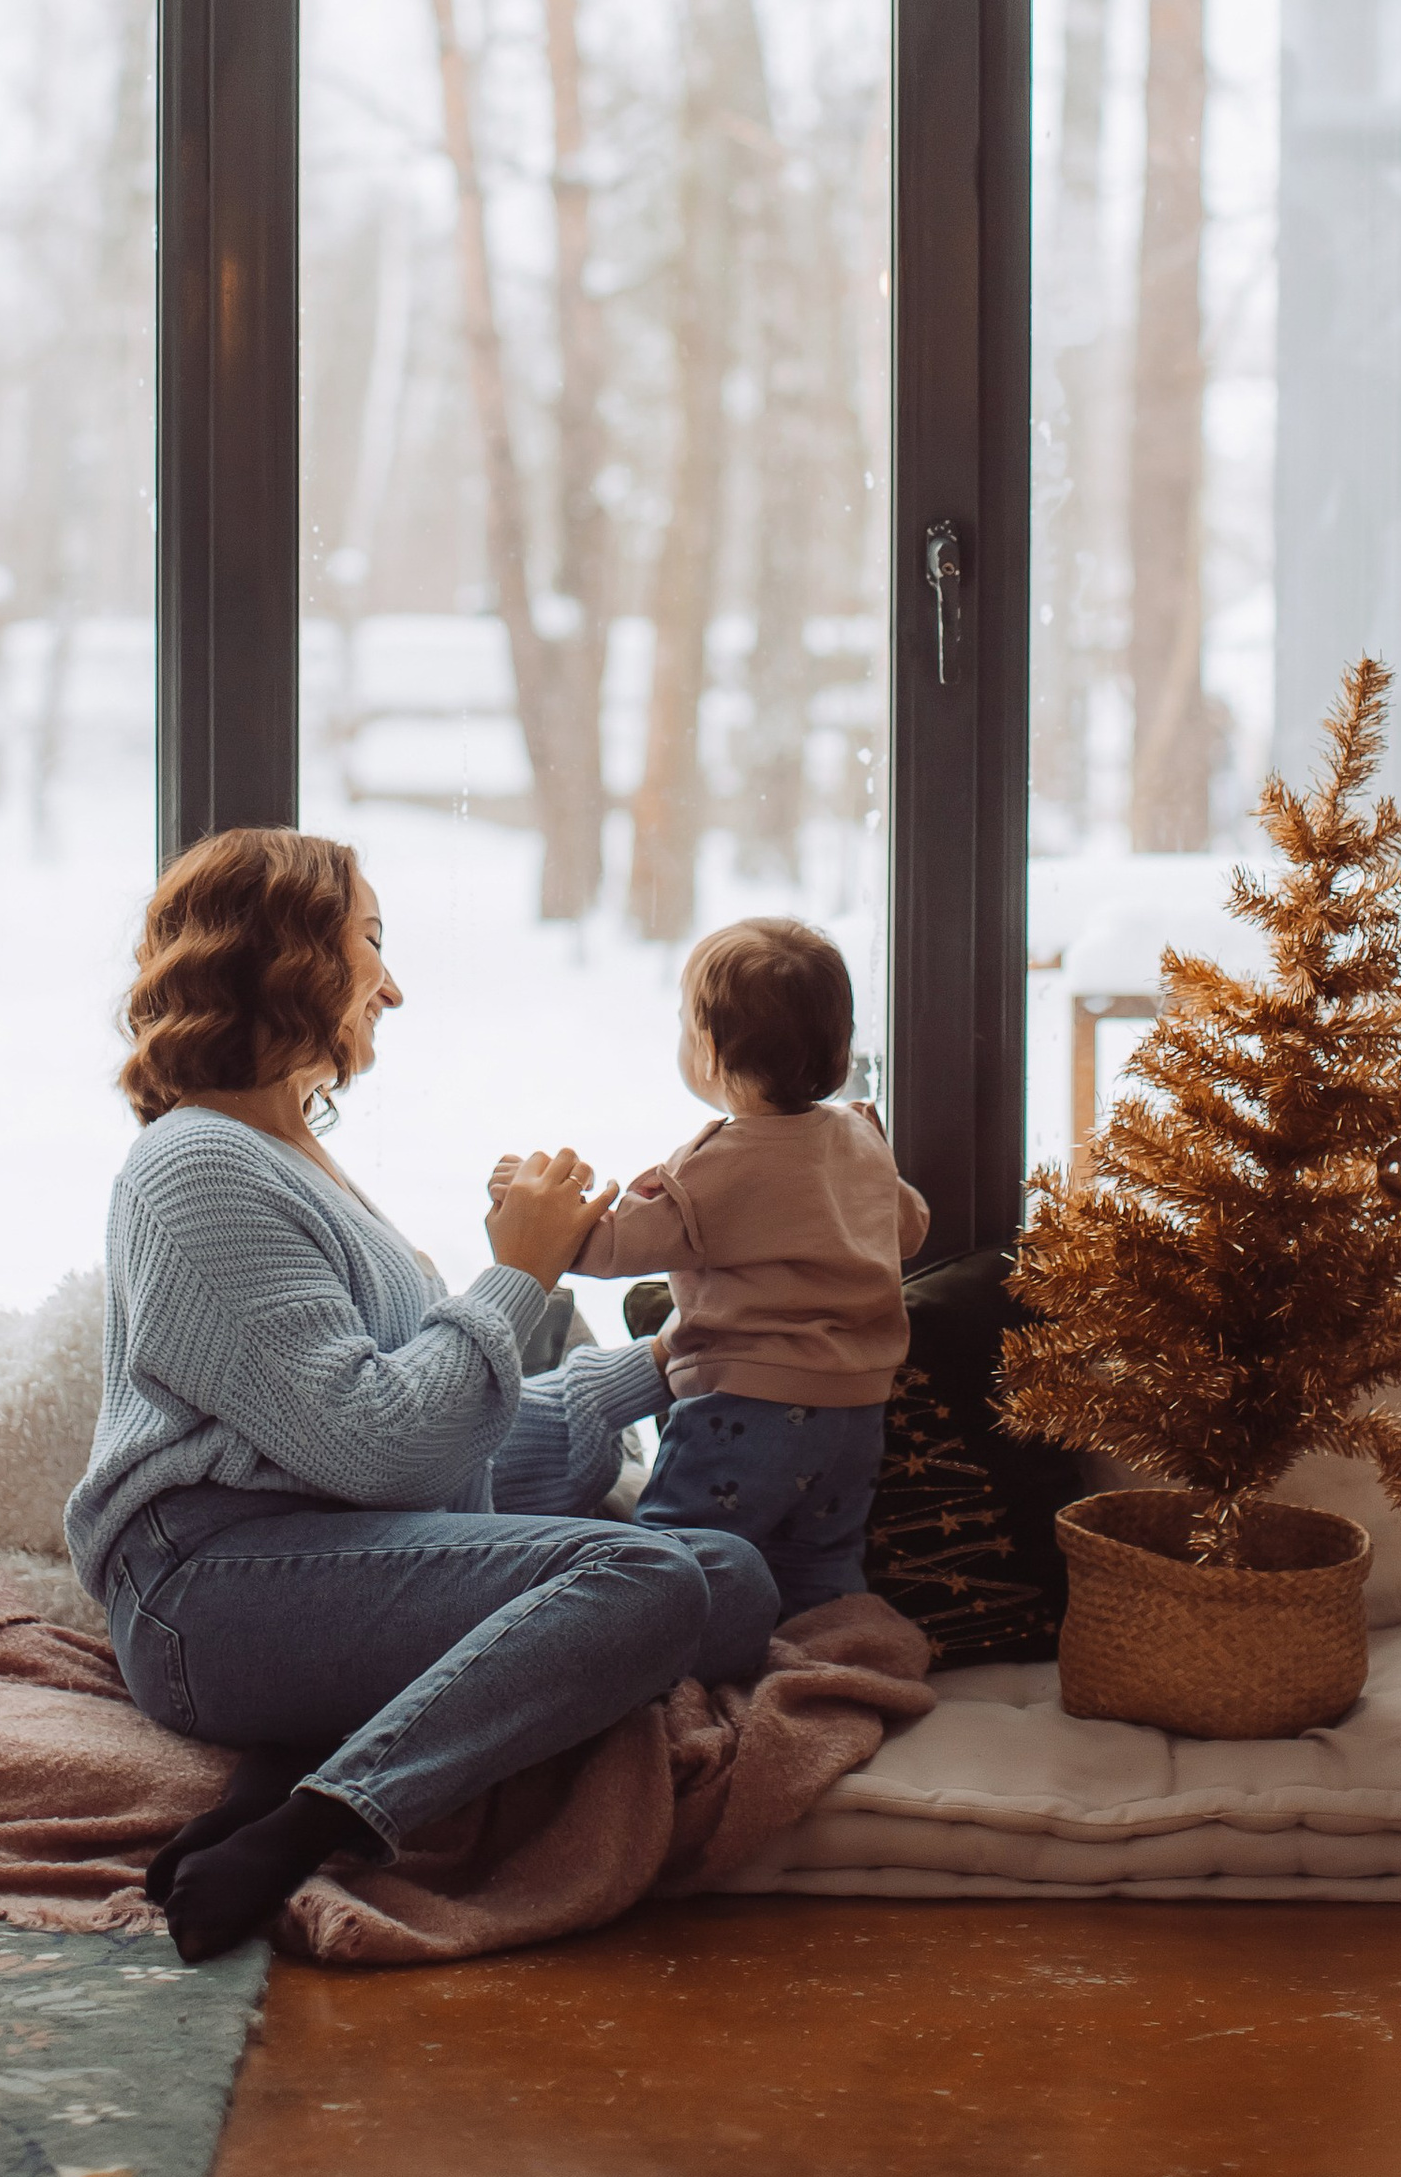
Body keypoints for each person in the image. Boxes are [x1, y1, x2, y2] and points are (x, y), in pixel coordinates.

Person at [66, 827, 779, 1961]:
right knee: (639, 1571)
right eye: (370, 946)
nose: (389, 987)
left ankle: (295, 1755)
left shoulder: (291, 1157)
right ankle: (317, 1817)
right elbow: (385, 1444)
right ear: (291, 957)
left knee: (728, 1580)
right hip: (208, 1594)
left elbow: (451, 1454)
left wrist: (660, 1367)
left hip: (343, 1551)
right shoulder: (195, 1166)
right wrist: (519, 1269)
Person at [556, 918, 930, 1616]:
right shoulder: (860, 1135)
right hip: (857, 1408)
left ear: (707, 1049)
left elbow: (610, 1250)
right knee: (822, 1564)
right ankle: (839, 1655)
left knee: (673, 1558)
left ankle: (655, 1674)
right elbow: (910, 1228)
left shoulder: (716, 1166)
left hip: (747, 1409)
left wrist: (543, 1214)